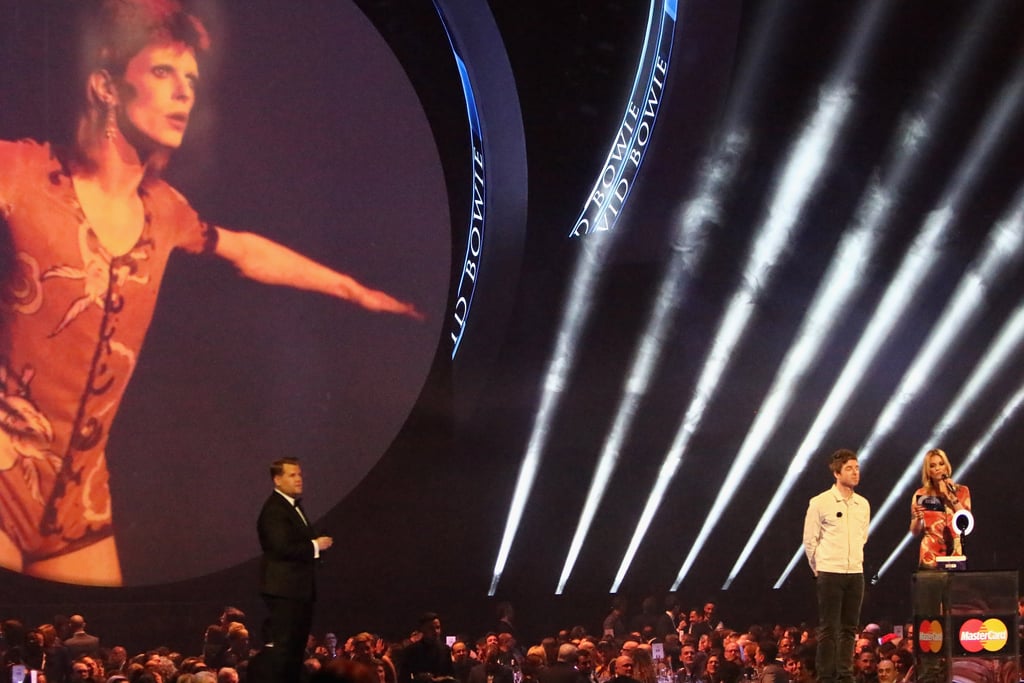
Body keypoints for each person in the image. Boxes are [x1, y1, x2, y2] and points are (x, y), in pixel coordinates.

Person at [0, 0, 420, 586]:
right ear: (106, 86)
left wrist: (353, 290)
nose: (184, 94)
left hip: (80, 505)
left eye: (192, 80)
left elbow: (245, 250)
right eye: (164, 74)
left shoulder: (165, 211)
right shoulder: (20, 171)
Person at [257, 457, 334, 683]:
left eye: (299, 474)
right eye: (292, 475)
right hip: (285, 590)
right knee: (286, 649)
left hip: (296, 590)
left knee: (295, 650)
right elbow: (280, 547)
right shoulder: (274, 510)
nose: (299, 479)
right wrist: (315, 545)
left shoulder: (289, 507)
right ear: (277, 479)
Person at [802, 449, 870, 683]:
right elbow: (810, 541)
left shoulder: (863, 504)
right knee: (829, 628)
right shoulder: (820, 502)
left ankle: (845, 674)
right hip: (830, 571)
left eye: (857, 468)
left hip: (855, 572)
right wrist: (819, 568)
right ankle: (826, 676)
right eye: (850, 468)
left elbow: (863, 537)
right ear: (836, 471)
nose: (855, 472)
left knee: (850, 628)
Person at [909, 448, 971, 567]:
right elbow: (914, 531)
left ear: (947, 466)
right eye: (932, 466)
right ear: (928, 471)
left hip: (956, 552)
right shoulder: (921, 495)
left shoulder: (962, 491)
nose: (937, 468)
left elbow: (966, 522)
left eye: (941, 464)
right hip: (930, 554)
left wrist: (950, 495)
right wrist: (918, 518)